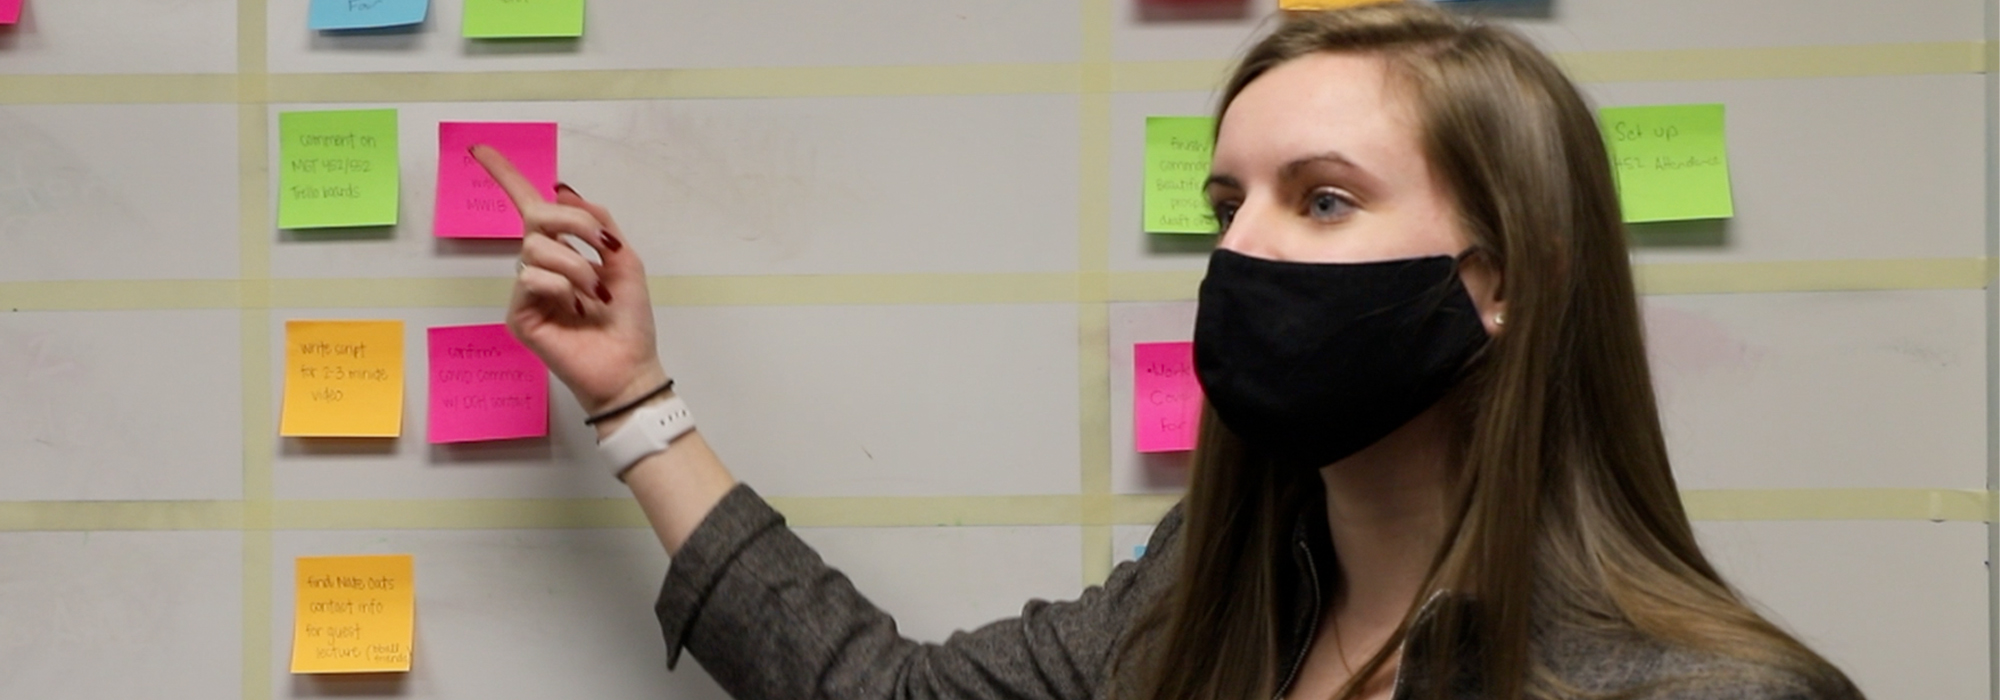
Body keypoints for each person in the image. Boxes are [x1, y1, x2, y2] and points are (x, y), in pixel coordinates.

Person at [469, 3, 1863, 699]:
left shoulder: (1712, 696)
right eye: (1225, 204)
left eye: (1322, 200)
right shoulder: (1206, 598)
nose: (1241, 251)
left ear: (1500, 279)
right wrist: (634, 398)